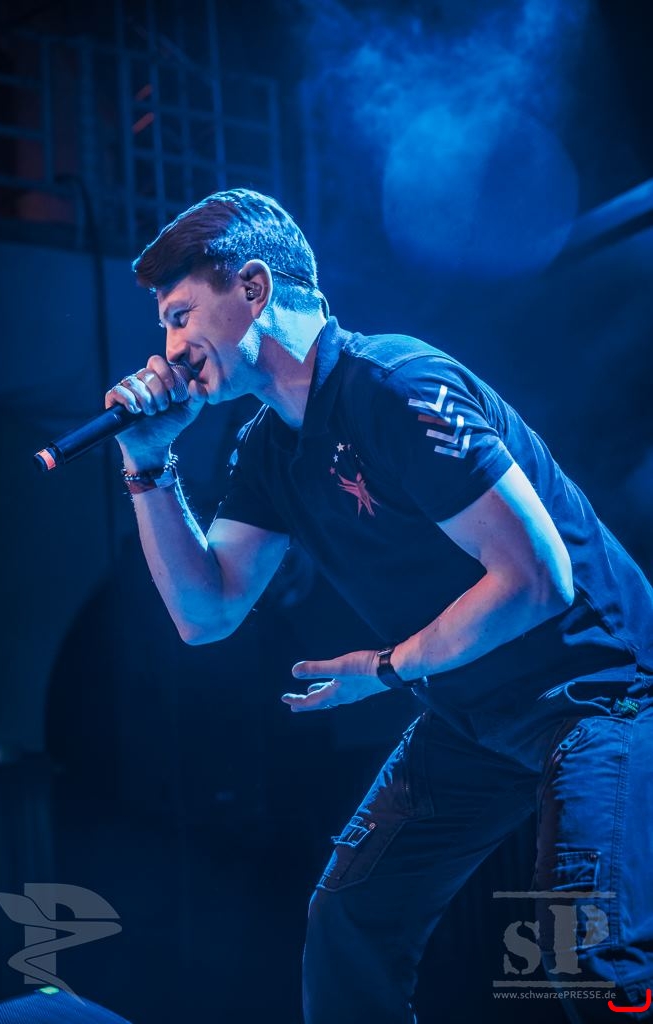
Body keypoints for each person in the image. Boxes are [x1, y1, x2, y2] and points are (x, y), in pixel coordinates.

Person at [105, 188, 653, 1023]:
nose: (171, 349)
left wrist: (387, 667)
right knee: (350, 922)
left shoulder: (394, 383)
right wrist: (148, 463)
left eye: (180, 317)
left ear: (252, 288)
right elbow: (204, 615)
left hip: (600, 695)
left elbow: (537, 579)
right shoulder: (268, 450)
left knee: (587, 949)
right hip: (473, 714)